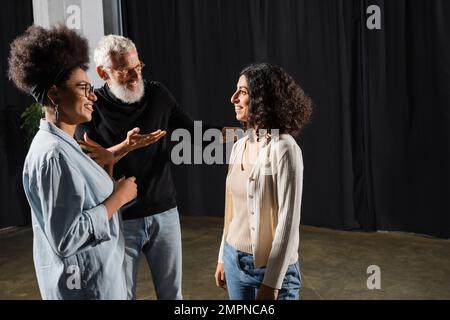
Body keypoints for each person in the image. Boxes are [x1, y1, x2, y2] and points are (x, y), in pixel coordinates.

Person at [76, 35, 212, 300]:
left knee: (172, 295)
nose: (134, 75)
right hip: (120, 218)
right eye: (125, 69)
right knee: (122, 295)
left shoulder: (158, 94)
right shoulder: (92, 106)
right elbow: (87, 161)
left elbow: (196, 133)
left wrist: (245, 135)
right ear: (104, 72)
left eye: (137, 66)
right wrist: (124, 147)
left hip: (165, 213)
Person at [8, 25, 137, 299]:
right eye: (84, 88)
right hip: (85, 289)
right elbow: (67, 237)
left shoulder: (66, 146)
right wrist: (119, 197)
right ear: (54, 95)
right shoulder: (53, 154)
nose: (93, 96)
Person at [214, 63, 313, 300]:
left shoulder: (285, 149)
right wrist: (222, 257)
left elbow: (288, 224)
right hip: (233, 260)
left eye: (243, 92)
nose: (233, 98)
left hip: (271, 269)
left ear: (263, 99)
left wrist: (272, 283)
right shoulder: (239, 145)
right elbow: (233, 213)